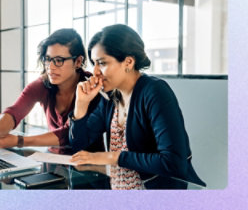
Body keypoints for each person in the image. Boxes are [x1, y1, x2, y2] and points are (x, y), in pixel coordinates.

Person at [69, 24, 206, 189]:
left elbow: (173, 163)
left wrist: (113, 157)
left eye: (102, 63)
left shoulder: (155, 92)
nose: (95, 71)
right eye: (94, 64)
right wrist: (81, 104)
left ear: (128, 62)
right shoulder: (110, 98)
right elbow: (79, 144)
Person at [0, 28, 102, 155]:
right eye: (48, 59)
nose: (51, 67)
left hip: (87, 167)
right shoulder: (43, 84)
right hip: (53, 160)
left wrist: (18, 141)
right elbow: (14, 111)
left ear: (78, 61)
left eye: (59, 60)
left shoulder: (91, 87)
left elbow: (67, 135)